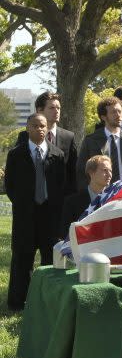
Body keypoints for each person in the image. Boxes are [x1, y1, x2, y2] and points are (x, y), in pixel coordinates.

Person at [4, 113, 66, 310]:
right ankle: (18, 301)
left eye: (43, 126)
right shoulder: (16, 154)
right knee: (22, 258)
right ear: (27, 128)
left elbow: (61, 185)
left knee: (50, 259)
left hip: (50, 216)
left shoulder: (57, 155)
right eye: (35, 126)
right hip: (25, 216)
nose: (40, 129)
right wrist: (24, 204)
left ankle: (48, 301)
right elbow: (10, 185)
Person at [16, 91, 78, 193]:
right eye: (52, 108)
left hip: (59, 202)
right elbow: (16, 172)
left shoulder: (68, 137)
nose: (56, 111)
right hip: (30, 201)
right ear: (39, 111)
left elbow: (73, 172)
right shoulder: (25, 136)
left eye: (58, 108)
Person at [77, 97, 122, 186]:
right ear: (103, 117)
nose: (118, 115)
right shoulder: (91, 141)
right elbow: (82, 171)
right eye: (114, 112)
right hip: (101, 193)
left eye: (120, 111)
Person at [59, 155, 112, 239]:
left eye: (110, 171)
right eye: (105, 170)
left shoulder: (114, 199)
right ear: (91, 173)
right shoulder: (72, 202)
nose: (109, 175)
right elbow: (65, 234)